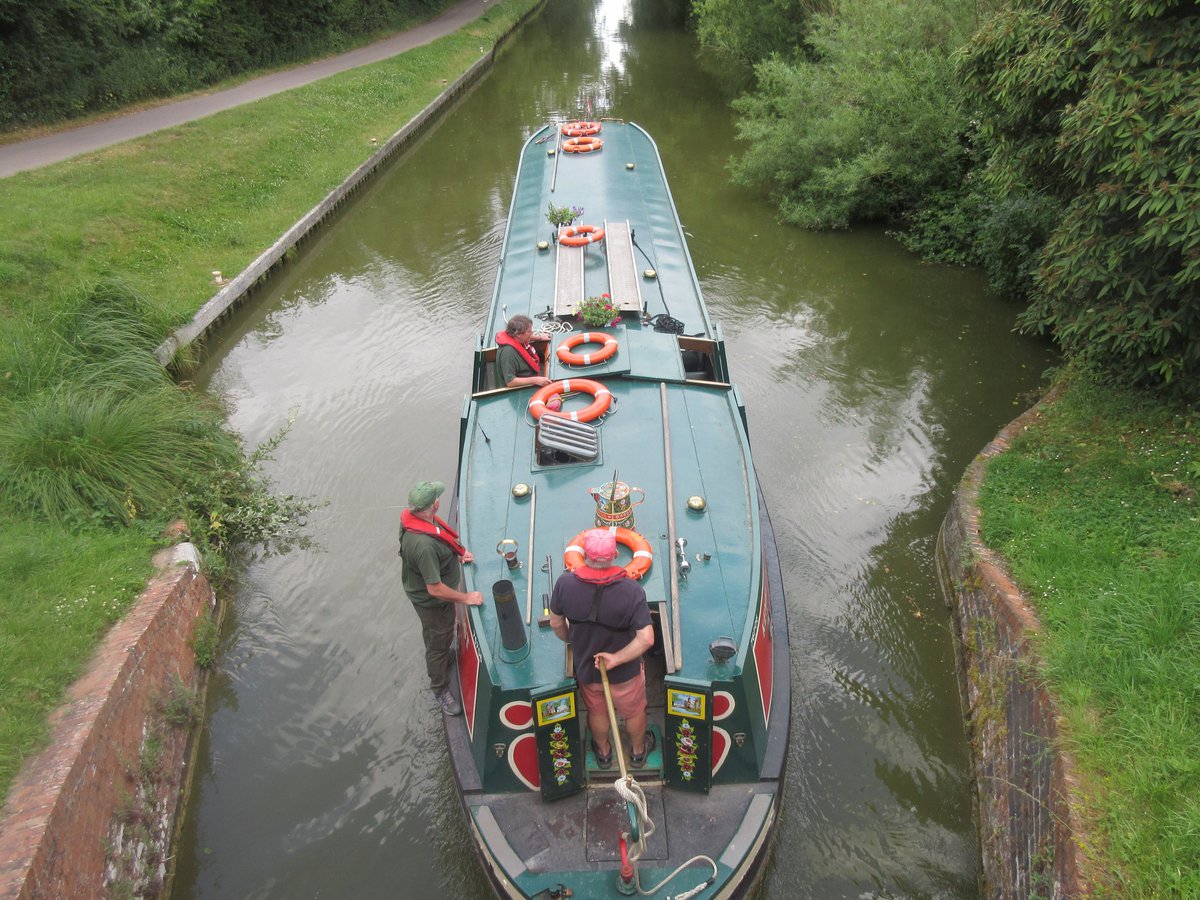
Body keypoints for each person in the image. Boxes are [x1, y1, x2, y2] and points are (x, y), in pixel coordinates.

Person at [549, 529, 655, 769]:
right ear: (616, 554)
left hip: (588, 667)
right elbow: (646, 639)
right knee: (634, 710)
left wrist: (572, 642)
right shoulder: (632, 591)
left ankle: (604, 753)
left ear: (584, 554)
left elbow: (556, 622)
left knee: (597, 711)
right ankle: (638, 752)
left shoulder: (565, 584)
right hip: (626, 673)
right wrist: (617, 659)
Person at [398, 480, 483, 716]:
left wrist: (457, 554)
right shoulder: (423, 546)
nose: (439, 499)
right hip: (432, 604)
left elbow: (441, 541)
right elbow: (435, 589)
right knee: (437, 642)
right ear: (434, 505)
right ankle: (440, 688)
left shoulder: (420, 520)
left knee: (444, 634)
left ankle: (445, 657)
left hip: (439, 592)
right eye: (437, 497)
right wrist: (466, 598)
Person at [495, 314, 552, 389]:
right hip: (523, 386)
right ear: (518, 334)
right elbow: (510, 382)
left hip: (533, 374)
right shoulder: (508, 354)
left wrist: (540, 338)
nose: (531, 333)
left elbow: (527, 336)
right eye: (529, 331)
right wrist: (535, 380)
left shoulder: (516, 337)